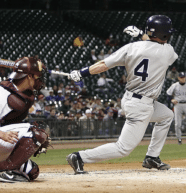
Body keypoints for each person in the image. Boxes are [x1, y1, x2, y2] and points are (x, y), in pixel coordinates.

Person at [66, 15, 177, 174]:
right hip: (141, 106)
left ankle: (152, 157)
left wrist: (81, 73)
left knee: (166, 116)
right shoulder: (168, 51)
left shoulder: (130, 48)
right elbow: (155, 42)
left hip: (131, 98)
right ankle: (79, 157)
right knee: (123, 149)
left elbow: (103, 65)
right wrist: (140, 34)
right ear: (165, 35)